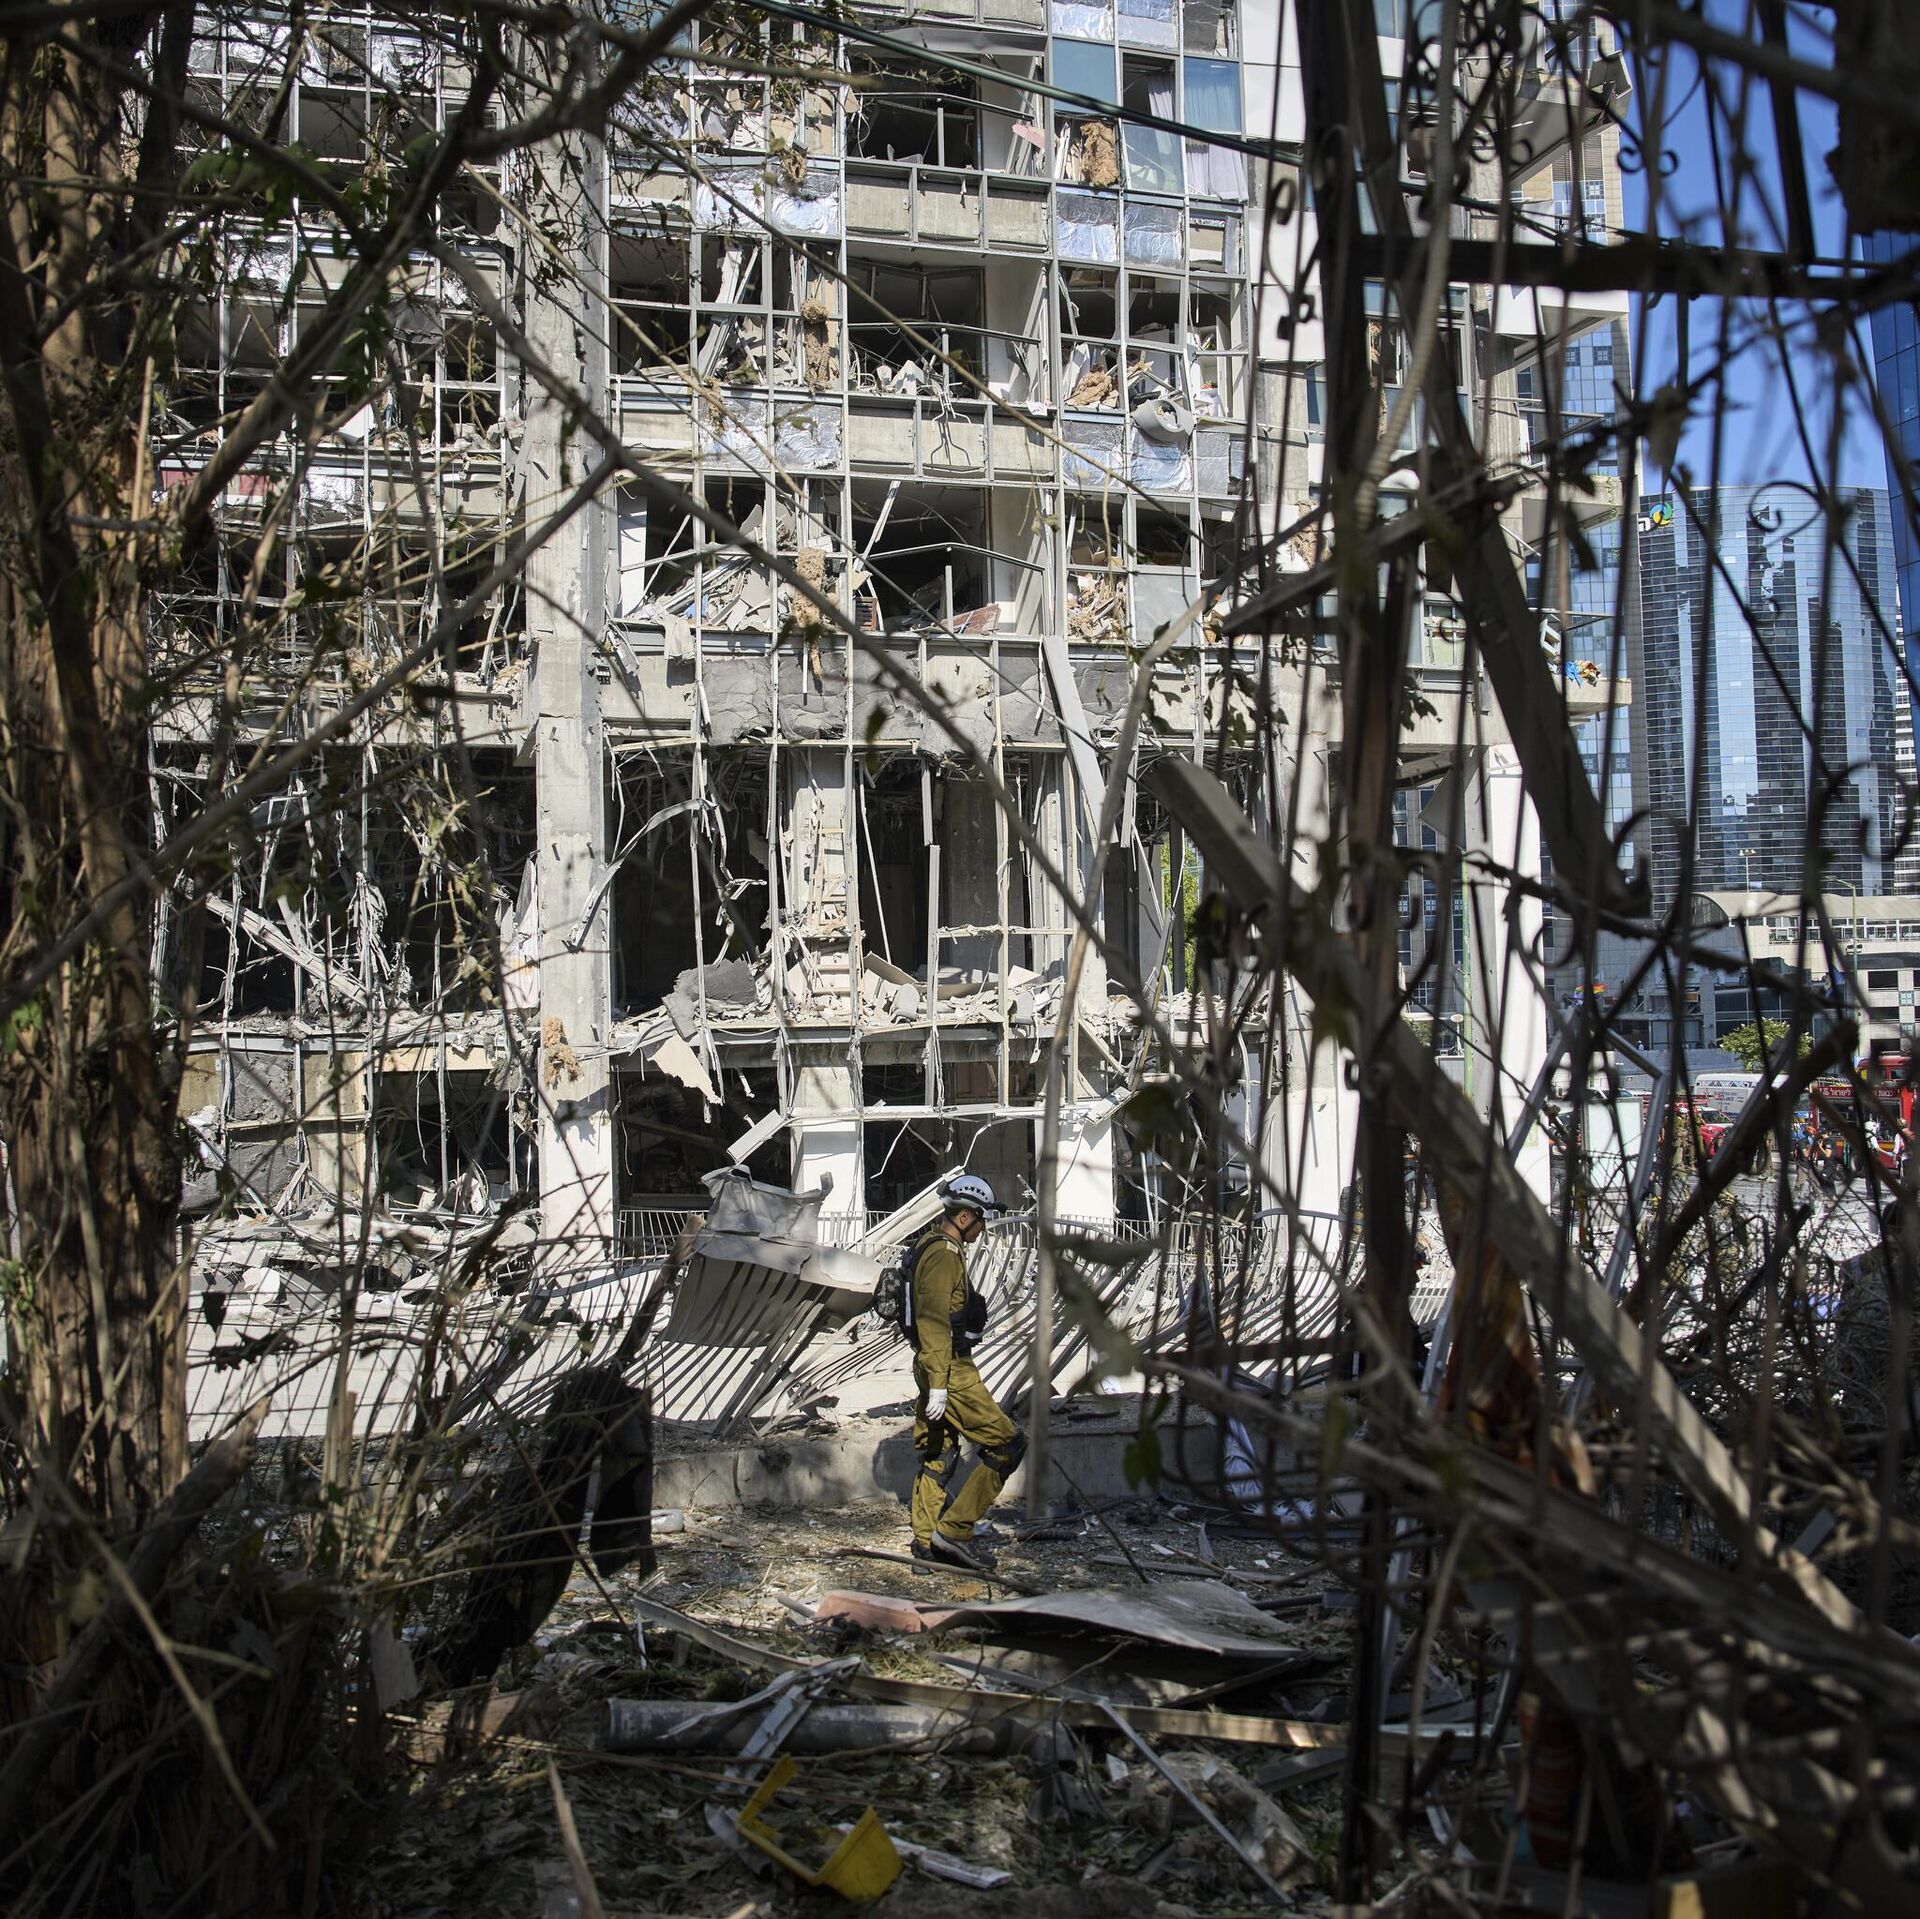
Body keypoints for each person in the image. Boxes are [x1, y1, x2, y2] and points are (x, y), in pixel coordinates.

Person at [905, 1172, 1025, 1572]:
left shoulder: (935, 1247)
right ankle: (954, 1532)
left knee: (939, 1451)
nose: (982, 1227)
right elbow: (934, 1321)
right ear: (964, 1217)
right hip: (949, 1369)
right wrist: (940, 1384)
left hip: (938, 1365)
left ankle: (926, 1544)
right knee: (1008, 1445)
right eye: (981, 1219)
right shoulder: (943, 1253)